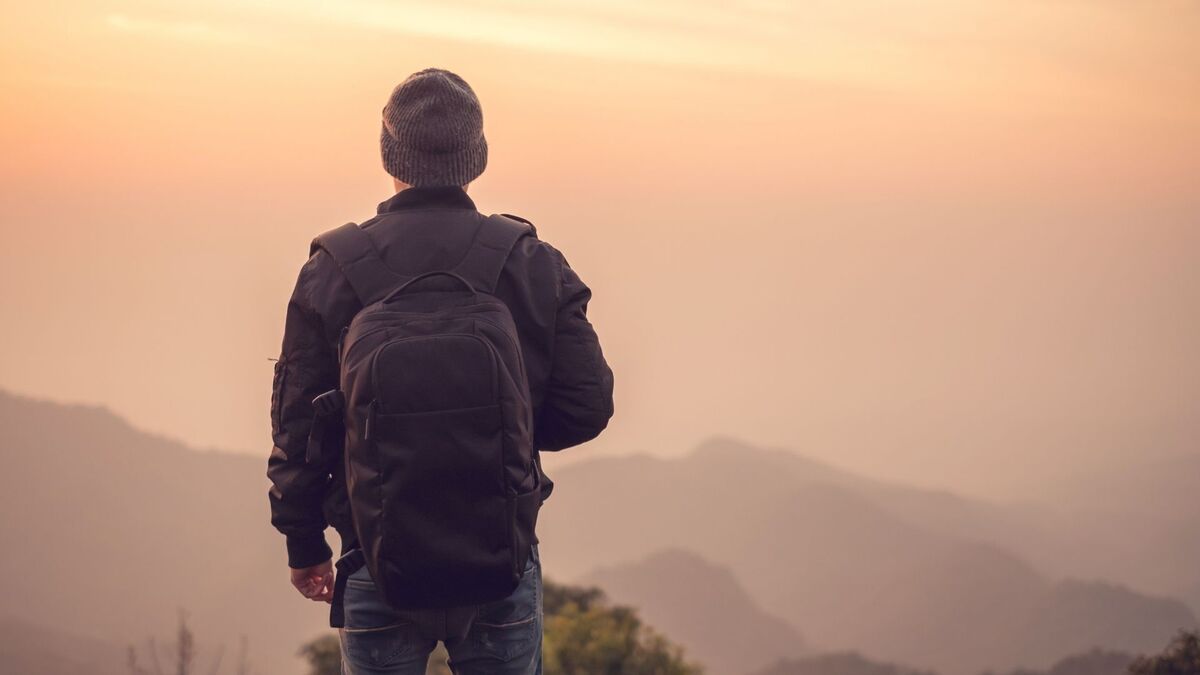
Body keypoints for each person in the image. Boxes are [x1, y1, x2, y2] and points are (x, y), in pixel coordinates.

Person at [267, 68, 615, 674]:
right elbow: (587, 406)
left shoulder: (333, 268)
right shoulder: (529, 261)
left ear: (388, 153)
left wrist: (303, 544)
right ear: (475, 157)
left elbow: (299, 427)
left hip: (373, 560)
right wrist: (503, 430)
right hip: (499, 560)